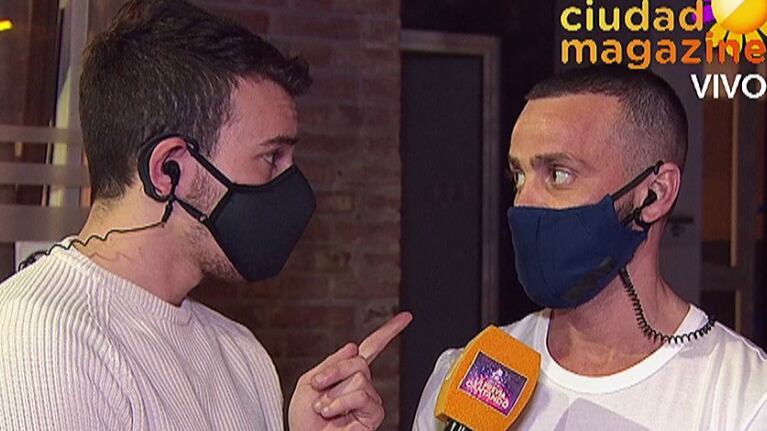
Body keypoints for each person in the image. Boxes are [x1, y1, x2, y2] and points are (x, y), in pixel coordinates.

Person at [0, 1, 411, 430]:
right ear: (168, 170)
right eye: (271, 157)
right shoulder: (41, 337)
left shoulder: (242, 355)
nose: (292, 188)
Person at [414, 65, 767, 429]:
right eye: (518, 176)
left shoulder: (746, 400)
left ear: (654, 193)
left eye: (559, 174)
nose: (523, 203)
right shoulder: (468, 378)